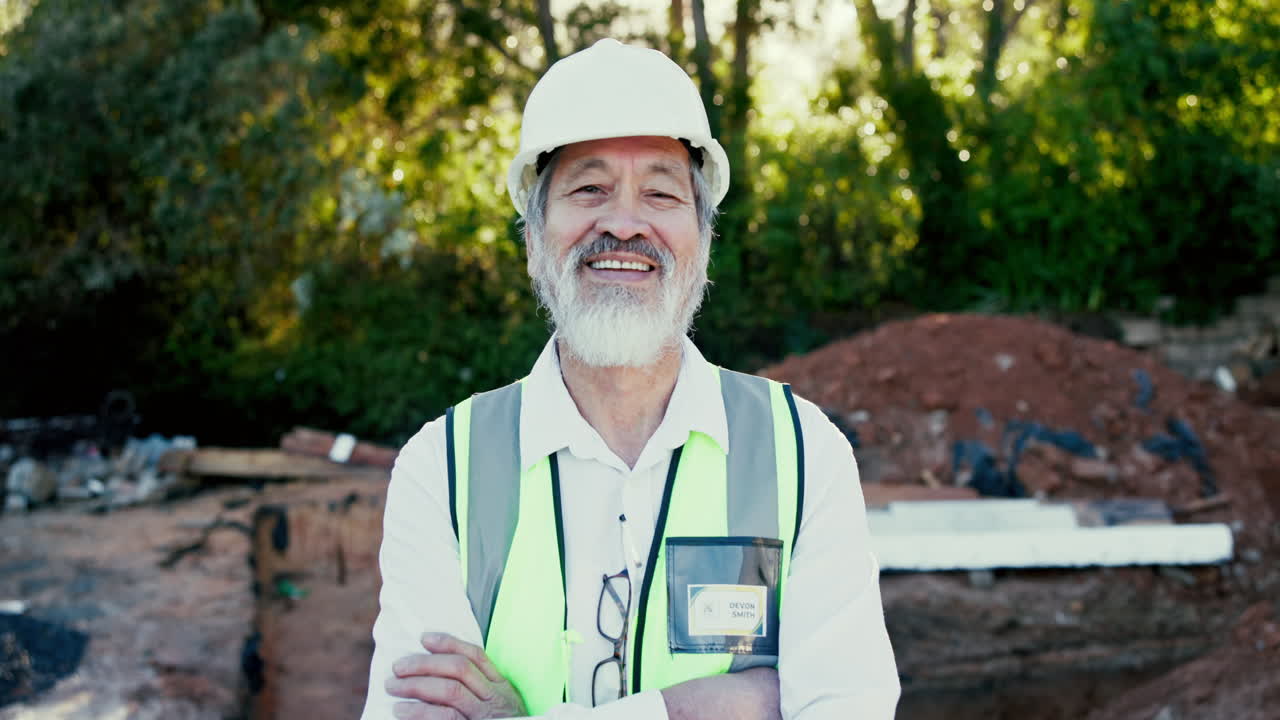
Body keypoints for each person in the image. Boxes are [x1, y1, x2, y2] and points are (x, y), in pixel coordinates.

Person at [359, 38, 899, 720]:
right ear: (533, 241)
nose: (622, 223)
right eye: (589, 189)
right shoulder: (442, 469)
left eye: (661, 193)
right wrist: (722, 704)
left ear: (703, 242)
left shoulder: (803, 455)